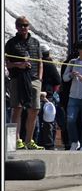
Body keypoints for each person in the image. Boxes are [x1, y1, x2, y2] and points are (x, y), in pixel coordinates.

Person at [5, 16, 44, 149]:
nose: (23, 27)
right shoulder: (11, 43)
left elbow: (40, 62)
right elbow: (7, 64)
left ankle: (29, 140)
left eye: (25, 25)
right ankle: (16, 140)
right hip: (17, 79)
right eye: (20, 25)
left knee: (35, 109)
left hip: (33, 80)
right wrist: (19, 64)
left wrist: (39, 78)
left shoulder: (35, 42)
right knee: (17, 108)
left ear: (29, 26)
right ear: (16, 27)